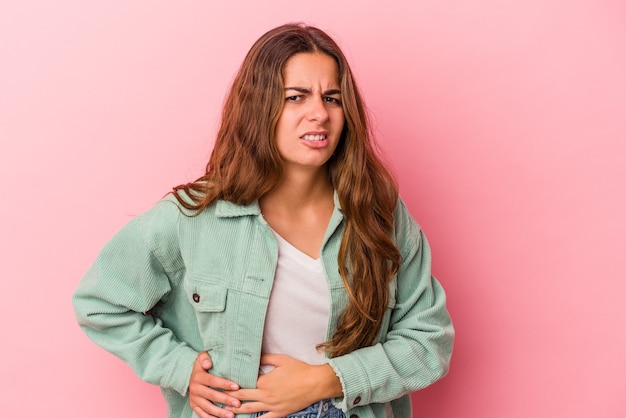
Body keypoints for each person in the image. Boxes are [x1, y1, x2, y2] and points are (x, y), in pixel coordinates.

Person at [73, 23, 454, 418]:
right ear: (260, 106)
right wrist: (179, 368)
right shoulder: (196, 216)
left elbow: (429, 341)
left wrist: (328, 379)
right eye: (296, 97)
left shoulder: (379, 215)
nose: (319, 114)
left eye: (332, 98)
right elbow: (100, 302)